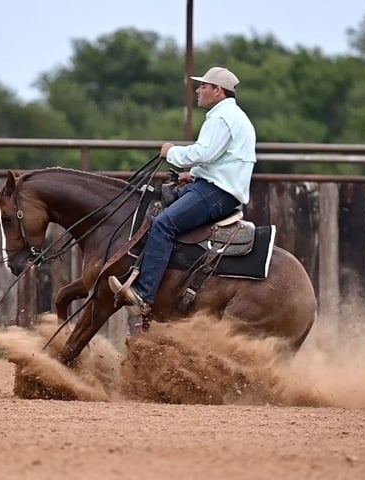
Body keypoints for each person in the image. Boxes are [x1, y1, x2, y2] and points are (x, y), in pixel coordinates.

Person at [109, 66, 257, 316]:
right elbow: (221, 159)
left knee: (163, 224)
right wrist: (194, 174)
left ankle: (144, 294)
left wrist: (172, 153)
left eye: (203, 86)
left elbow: (204, 153)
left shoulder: (221, 118)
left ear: (218, 91)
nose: (198, 90)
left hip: (216, 192)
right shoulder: (232, 115)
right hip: (217, 188)